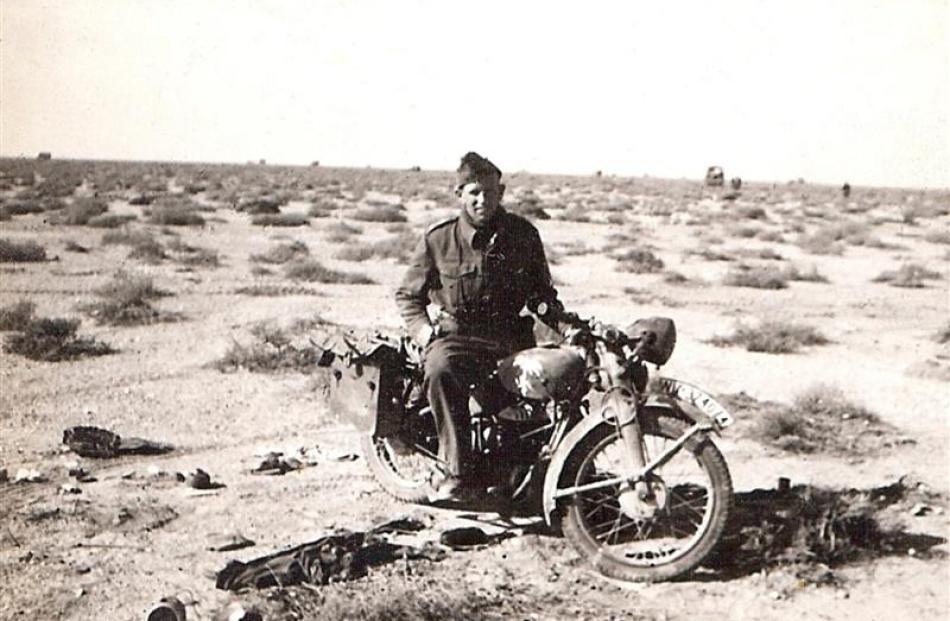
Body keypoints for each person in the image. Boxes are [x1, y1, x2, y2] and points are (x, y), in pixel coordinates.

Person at [394, 152, 562, 501]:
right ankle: (453, 470)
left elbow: (542, 296)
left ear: (500, 191)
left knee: (549, 385)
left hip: (509, 339)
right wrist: (425, 333)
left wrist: (565, 324)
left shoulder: (523, 235)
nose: (481, 200)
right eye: (473, 192)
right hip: (458, 338)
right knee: (440, 367)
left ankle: (521, 469)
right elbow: (408, 296)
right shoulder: (439, 239)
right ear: (460, 194)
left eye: (488, 191)